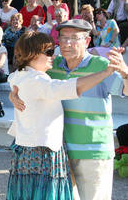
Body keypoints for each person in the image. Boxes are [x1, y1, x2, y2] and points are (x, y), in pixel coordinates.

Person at [9, 19, 127, 200]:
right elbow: (23, 76)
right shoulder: (51, 66)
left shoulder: (102, 65)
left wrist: (125, 73)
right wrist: (15, 94)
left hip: (93, 152)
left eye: (74, 38)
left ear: (87, 42)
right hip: (61, 153)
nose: (66, 43)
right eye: (62, 38)